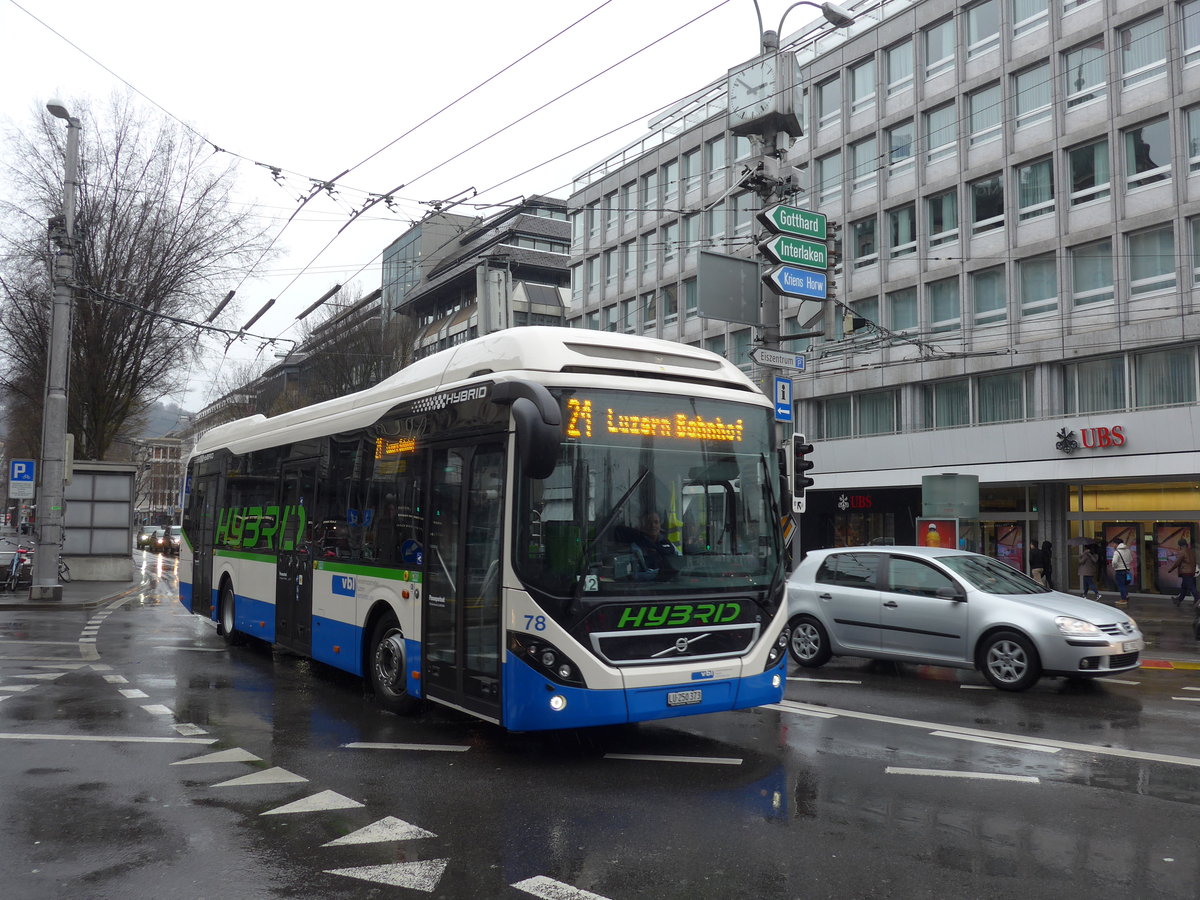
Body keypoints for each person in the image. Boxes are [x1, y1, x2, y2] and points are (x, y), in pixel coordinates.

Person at [616, 510, 678, 580]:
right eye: (649, 522)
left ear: (660, 525)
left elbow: (681, 563)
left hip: (673, 586)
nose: (653, 525)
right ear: (643, 525)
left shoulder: (669, 544)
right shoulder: (636, 547)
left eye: (656, 522)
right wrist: (658, 573)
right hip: (648, 588)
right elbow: (634, 576)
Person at [1168, 539, 1200, 608]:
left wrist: (1171, 569)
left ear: (1180, 545)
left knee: (1191, 587)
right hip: (1191, 572)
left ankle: (1198, 598)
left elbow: (1177, 562)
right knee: (1184, 587)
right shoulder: (1190, 551)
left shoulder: (1182, 552)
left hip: (1186, 572)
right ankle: (1178, 600)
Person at [1111, 540, 1133, 606]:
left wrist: (1115, 566)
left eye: (1113, 544)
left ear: (1117, 544)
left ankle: (1123, 599)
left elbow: (1114, 562)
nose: (1113, 545)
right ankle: (1126, 595)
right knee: (1125, 584)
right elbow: (1131, 559)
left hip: (1119, 571)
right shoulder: (1128, 550)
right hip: (1127, 571)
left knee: (1121, 585)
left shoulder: (1117, 552)